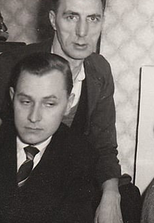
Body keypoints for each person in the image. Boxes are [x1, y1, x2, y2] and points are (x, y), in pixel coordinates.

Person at [0, 0, 132, 222]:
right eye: (71, 17)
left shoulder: (99, 71)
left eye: (93, 18)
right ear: (53, 20)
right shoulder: (13, 65)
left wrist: (111, 196)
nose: (82, 32)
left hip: (71, 186)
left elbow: (104, 146)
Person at [0, 52, 96, 222]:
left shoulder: (80, 156)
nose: (34, 117)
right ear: (12, 97)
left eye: (49, 104)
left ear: (68, 104)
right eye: (26, 102)